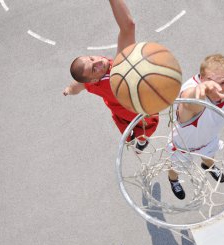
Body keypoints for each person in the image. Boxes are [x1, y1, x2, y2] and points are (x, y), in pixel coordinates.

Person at [63, 0, 158, 150]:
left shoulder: (91, 83)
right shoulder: (118, 72)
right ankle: (140, 141)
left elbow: (77, 86)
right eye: (94, 68)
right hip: (138, 111)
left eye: (92, 58)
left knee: (130, 133)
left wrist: (68, 90)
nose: (99, 62)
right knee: (144, 130)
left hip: (120, 110)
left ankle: (138, 141)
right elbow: (128, 26)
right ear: (94, 79)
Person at [167, 54, 224, 200]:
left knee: (209, 156)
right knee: (175, 168)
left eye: (223, 82)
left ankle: (208, 166)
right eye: (210, 81)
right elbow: (189, 103)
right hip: (182, 145)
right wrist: (200, 90)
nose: (217, 87)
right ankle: (173, 181)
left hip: (209, 139)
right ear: (201, 78)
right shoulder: (192, 96)